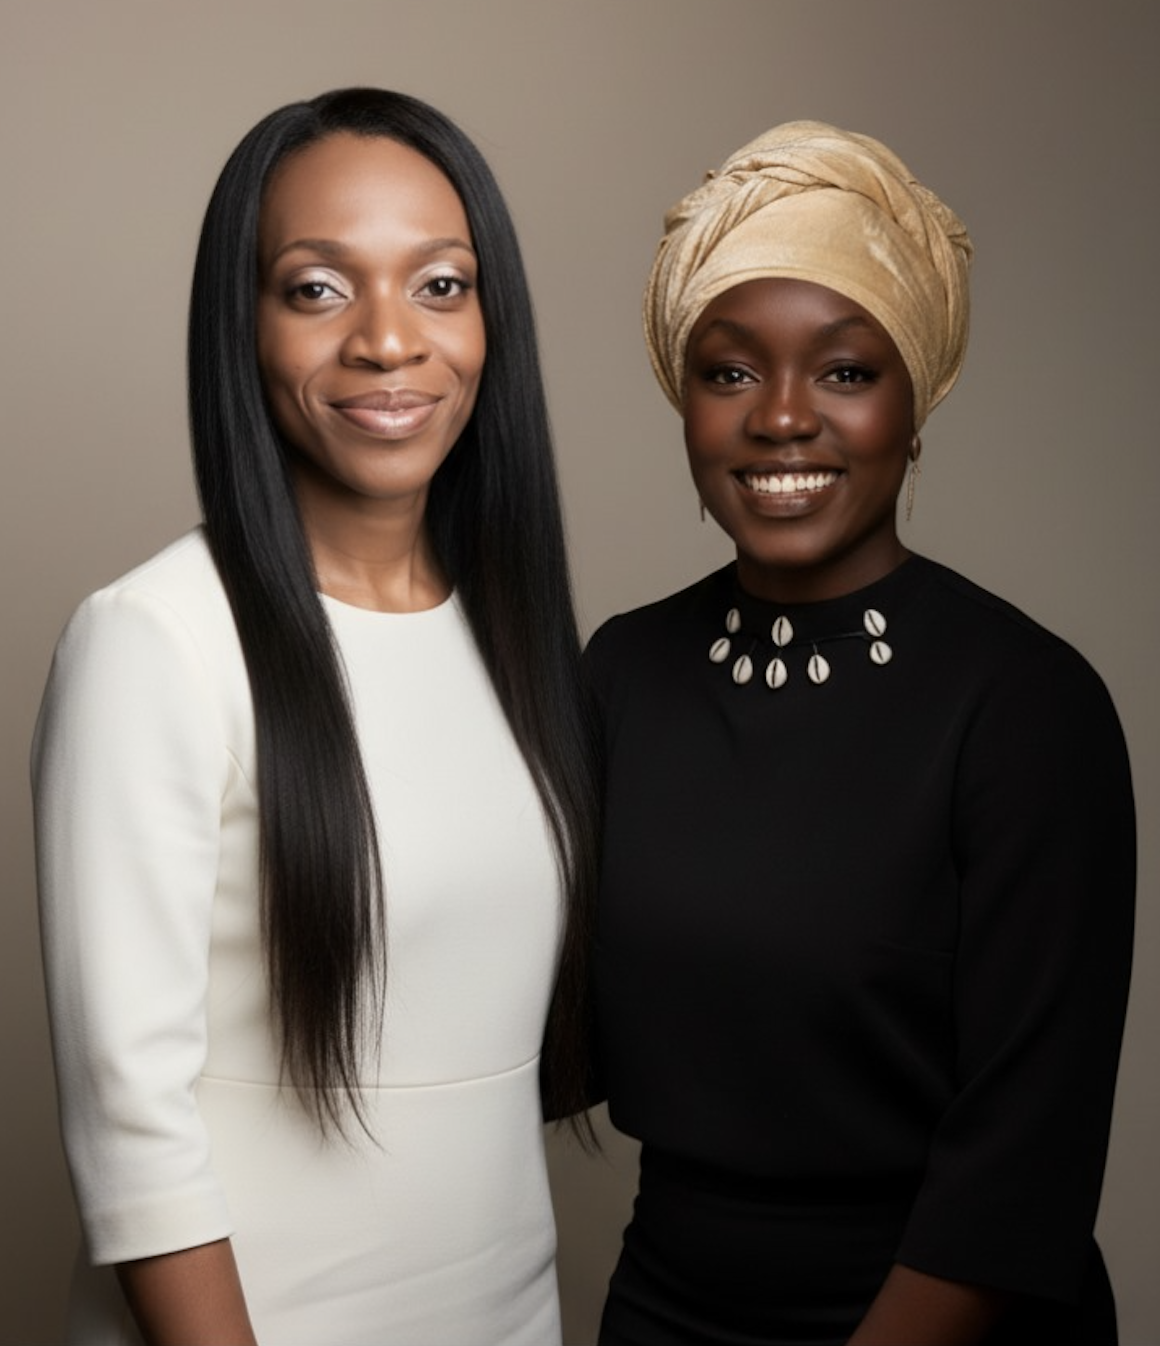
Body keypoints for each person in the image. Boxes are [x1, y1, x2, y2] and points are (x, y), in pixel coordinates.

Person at [33, 87, 596, 1346]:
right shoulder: (154, 640)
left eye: (440, 285)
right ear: (241, 326)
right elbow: (131, 1126)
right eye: (317, 288)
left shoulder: (515, 639)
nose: (389, 340)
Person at [587, 121, 1135, 1346]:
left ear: (913, 403)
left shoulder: (1025, 704)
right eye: (729, 372)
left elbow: (1021, 1168)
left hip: (938, 1313)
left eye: (842, 370)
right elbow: (537, 1036)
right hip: (664, 1305)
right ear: (685, 404)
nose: (781, 417)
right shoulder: (622, 672)